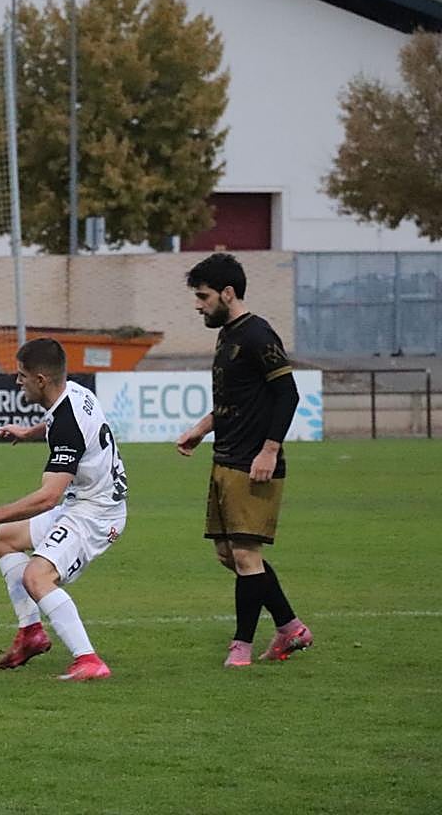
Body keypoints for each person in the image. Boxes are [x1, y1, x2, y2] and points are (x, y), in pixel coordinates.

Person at [0, 338, 126, 682]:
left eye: (22, 376)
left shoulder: (67, 423)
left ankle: (89, 660)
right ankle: (31, 633)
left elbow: (48, 497)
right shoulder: (74, 392)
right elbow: (59, 426)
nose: (18, 382)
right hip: (86, 501)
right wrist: (30, 431)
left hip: (96, 515)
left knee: (36, 577)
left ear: (41, 380)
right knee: (6, 540)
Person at [175, 252, 313, 668]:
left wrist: (269, 450)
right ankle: (290, 626)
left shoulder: (258, 335)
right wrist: (202, 428)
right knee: (226, 554)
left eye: (203, 296)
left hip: (252, 462)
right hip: (225, 456)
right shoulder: (228, 334)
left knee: (246, 556)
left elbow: (287, 394)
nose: (198, 305)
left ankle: (242, 647)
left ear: (228, 293)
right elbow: (234, 400)